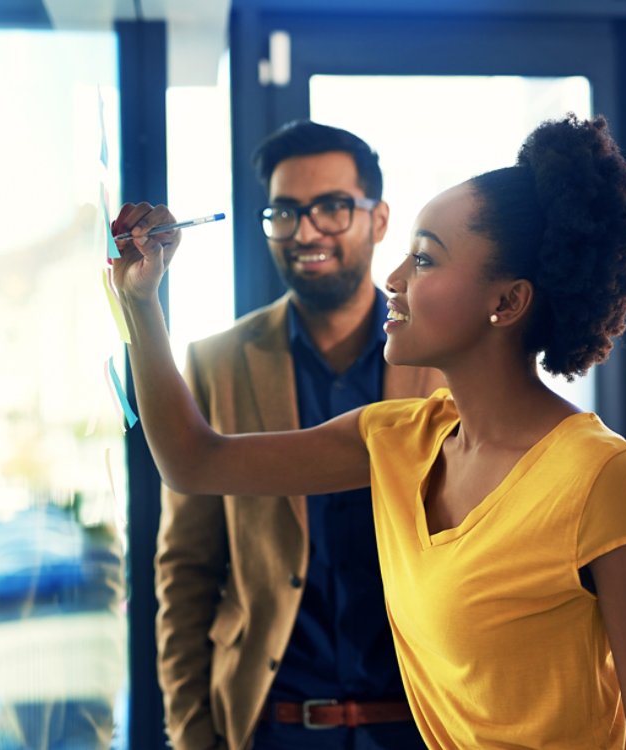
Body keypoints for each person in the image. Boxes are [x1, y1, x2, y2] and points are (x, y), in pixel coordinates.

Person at [115, 114, 626, 749]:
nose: (393, 279)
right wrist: (142, 303)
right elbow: (194, 463)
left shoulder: (599, 477)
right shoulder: (397, 438)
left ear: (506, 302)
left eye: (423, 259)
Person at [153, 121, 442, 750]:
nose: (306, 231)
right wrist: (191, 733)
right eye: (285, 212)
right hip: (271, 724)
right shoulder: (217, 363)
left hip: (424, 723)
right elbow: (186, 568)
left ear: (379, 218)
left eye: (332, 208)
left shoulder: (444, 362)